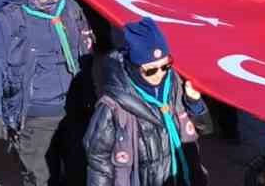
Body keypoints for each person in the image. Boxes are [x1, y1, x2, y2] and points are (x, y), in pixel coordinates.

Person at [0, 0, 96, 186]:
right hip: (34, 115)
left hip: (72, 109)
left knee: (78, 171)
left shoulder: (70, 8)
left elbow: (85, 50)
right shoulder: (9, 19)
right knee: (38, 177)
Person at [84, 18, 210, 186]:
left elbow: (205, 129)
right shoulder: (113, 106)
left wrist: (195, 103)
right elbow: (98, 161)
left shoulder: (176, 84)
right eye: (151, 70)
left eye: (166, 65)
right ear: (133, 66)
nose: (160, 74)